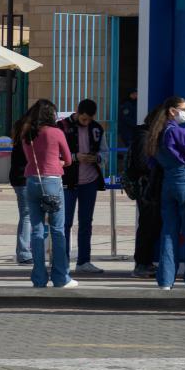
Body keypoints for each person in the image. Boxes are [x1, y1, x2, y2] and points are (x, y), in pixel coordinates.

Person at [15, 99, 76, 288]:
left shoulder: (27, 133)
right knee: (57, 230)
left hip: (32, 181)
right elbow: (68, 159)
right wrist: (59, 162)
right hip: (52, 181)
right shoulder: (56, 132)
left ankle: (39, 277)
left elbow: (29, 158)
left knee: (37, 229)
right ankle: (60, 277)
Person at [148, 95, 185, 290]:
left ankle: (165, 280)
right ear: (172, 111)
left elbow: (154, 160)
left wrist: (184, 158)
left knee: (169, 232)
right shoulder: (176, 131)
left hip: (168, 180)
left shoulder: (157, 132)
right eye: (184, 109)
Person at [60, 99, 107, 276]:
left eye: (89, 119)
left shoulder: (97, 129)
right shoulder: (62, 127)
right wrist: (75, 157)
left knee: (86, 222)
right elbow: (55, 153)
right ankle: (61, 260)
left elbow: (104, 151)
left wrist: (97, 159)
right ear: (77, 112)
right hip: (68, 182)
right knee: (64, 223)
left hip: (90, 181)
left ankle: (84, 261)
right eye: (83, 118)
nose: (85, 122)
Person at [126, 110, 161, 278]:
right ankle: (141, 263)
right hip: (145, 188)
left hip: (150, 186)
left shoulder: (147, 135)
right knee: (147, 225)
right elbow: (141, 163)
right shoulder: (143, 135)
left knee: (151, 225)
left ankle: (145, 262)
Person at [7, 108, 32, 266]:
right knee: (27, 215)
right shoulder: (29, 134)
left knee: (26, 214)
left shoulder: (18, 130)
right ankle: (24, 252)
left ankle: (25, 250)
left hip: (17, 176)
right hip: (25, 177)